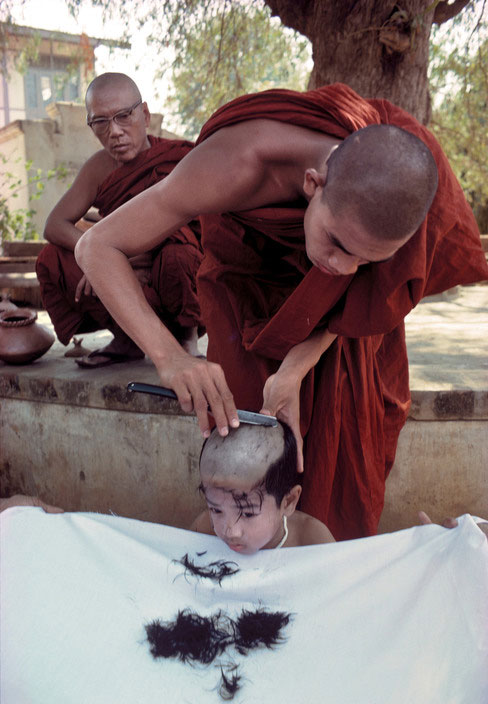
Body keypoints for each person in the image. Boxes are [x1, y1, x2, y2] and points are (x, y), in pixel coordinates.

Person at [74, 83, 488, 539]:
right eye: (339, 244)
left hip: (337, 324)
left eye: (364, 261)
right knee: (248, 433)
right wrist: (171, 358)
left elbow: (362, 293)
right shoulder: (233, 165)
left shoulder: (392, 180)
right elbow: (97, 246)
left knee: (345, 439)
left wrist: (295, 367)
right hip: (248, 288)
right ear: (314, 183)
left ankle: (324, 561)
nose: (341, 268)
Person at [36, 72, 204, 367]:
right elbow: (55, 224)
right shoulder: (98, 169)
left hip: (170, 278)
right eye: (100, 122)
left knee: (179, 254)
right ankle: (126, 340)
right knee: (53, 258)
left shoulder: (179, 159)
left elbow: (197, 231)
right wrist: (98, 257)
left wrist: (121, 256)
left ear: (145, 115)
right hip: (125, 279)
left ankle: (186, 339)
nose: (114, 132)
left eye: (124, 116)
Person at [191, 421, 335, 553]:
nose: (230, 532)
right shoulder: (204, 530)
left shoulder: (311, 541)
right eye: (216, 510)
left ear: (288, 501)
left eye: (248, 513)